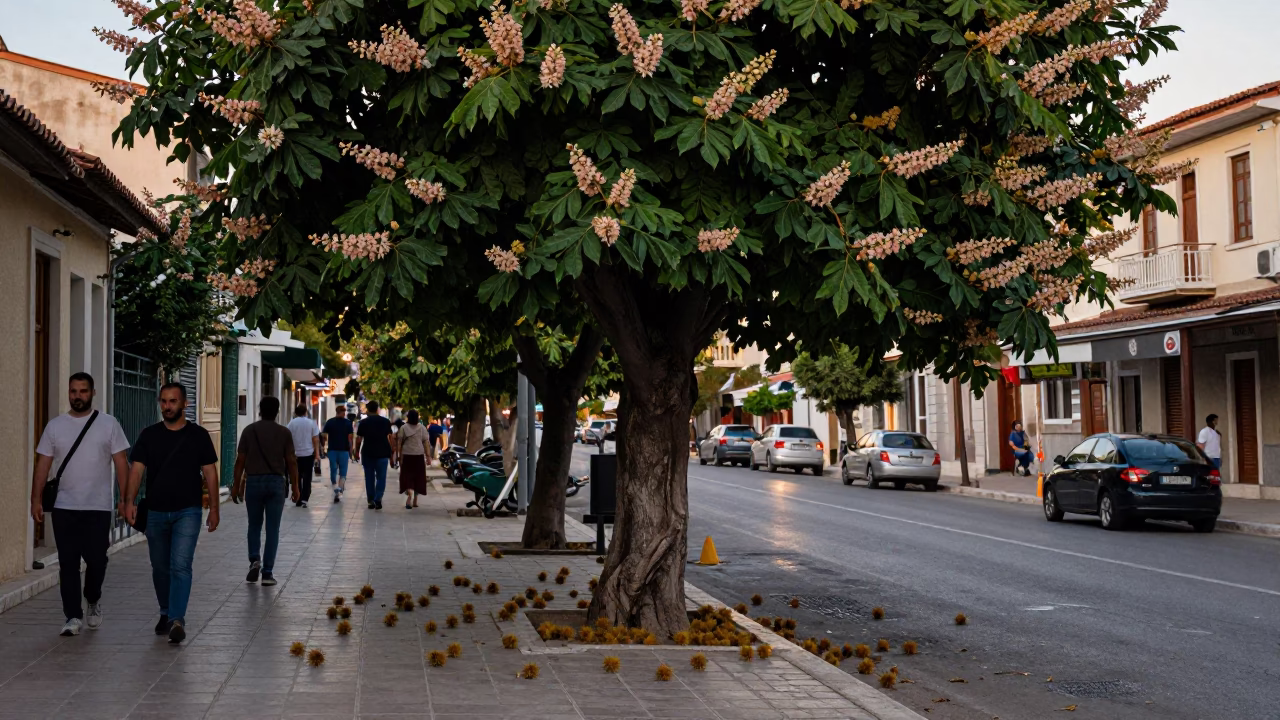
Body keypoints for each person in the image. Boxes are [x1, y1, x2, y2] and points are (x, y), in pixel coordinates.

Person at [29, 373, 130, 637]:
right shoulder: (55, 427)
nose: (77, 396)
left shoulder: (108, 424)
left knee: (98, 561)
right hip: (64, 507)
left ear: (92, 393)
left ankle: (93, 598)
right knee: (68, 564)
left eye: (83, 391)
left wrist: (125, 499)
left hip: (97, 508)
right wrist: (35, 499)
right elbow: (43, 465)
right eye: (73, 391)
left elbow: (121, 463)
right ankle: (72, 615)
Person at [124, 383, 219, 644]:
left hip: (187, 511)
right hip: (155, 511)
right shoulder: (149, 435)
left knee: (180, 565)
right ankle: (165, 611)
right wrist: (129, 501)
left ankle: (177, 618)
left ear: (184, 403)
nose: (167, 406)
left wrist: (214, 508)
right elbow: (136, 469)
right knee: (159, 567)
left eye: (173, 401)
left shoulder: (198, 435)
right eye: (164, 401)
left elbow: (210, 471)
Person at [232, 397, 299, 587]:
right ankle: (267, 573)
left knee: (254, 525)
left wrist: (236, 485)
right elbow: (291, 461)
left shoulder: (249, 431)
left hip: (253, 482)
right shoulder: (284, 433)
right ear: (277, 411)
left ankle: (255, 559)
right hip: (276, 483)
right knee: (272, 529)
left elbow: (240, 461)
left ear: (259, 409)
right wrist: (296, 486)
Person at [353, 400, 394, 510]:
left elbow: (358, 439)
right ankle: (378, 498)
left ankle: (371, 501)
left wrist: (356, 451)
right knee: (381, 478)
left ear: (368, 410)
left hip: (368, 453)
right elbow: (390, 438)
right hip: (383, 453)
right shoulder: (385, 421)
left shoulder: (364, 422)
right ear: (377, 409)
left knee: (369, 477)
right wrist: (392, 453)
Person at [286, 405, 320, 508]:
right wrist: (317, 454)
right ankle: (305, 498)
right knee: (307, 477)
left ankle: (298, 497)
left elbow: (288, 439)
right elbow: (315, 439)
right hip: (308, 454)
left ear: (295, 413)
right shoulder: (311, 423)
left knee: (296, 477)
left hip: (295, 455)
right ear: (306, 412)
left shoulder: (291, 423)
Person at [395, 410, 430, 509]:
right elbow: (426, 443)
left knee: (408, 477)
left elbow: (399, 443)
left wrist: (399, 456)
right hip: (418, 456)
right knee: (418, 478)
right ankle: (415, 501)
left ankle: (409, 495)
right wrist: (428, 456)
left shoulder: (403, 428)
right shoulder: (422, 428)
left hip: (407, 455)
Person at [320, 405, 354, 503]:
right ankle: (340, 488)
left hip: (332, 451)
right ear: (342, 412)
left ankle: (336, 489)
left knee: (333, 470)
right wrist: (351, 451)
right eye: (344, 412)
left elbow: (323, 435)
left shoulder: (330, 422)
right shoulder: (348, 423)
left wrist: (323, 446)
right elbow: (350, 438)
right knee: (343, 472)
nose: (345, 414)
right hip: (344, 451)